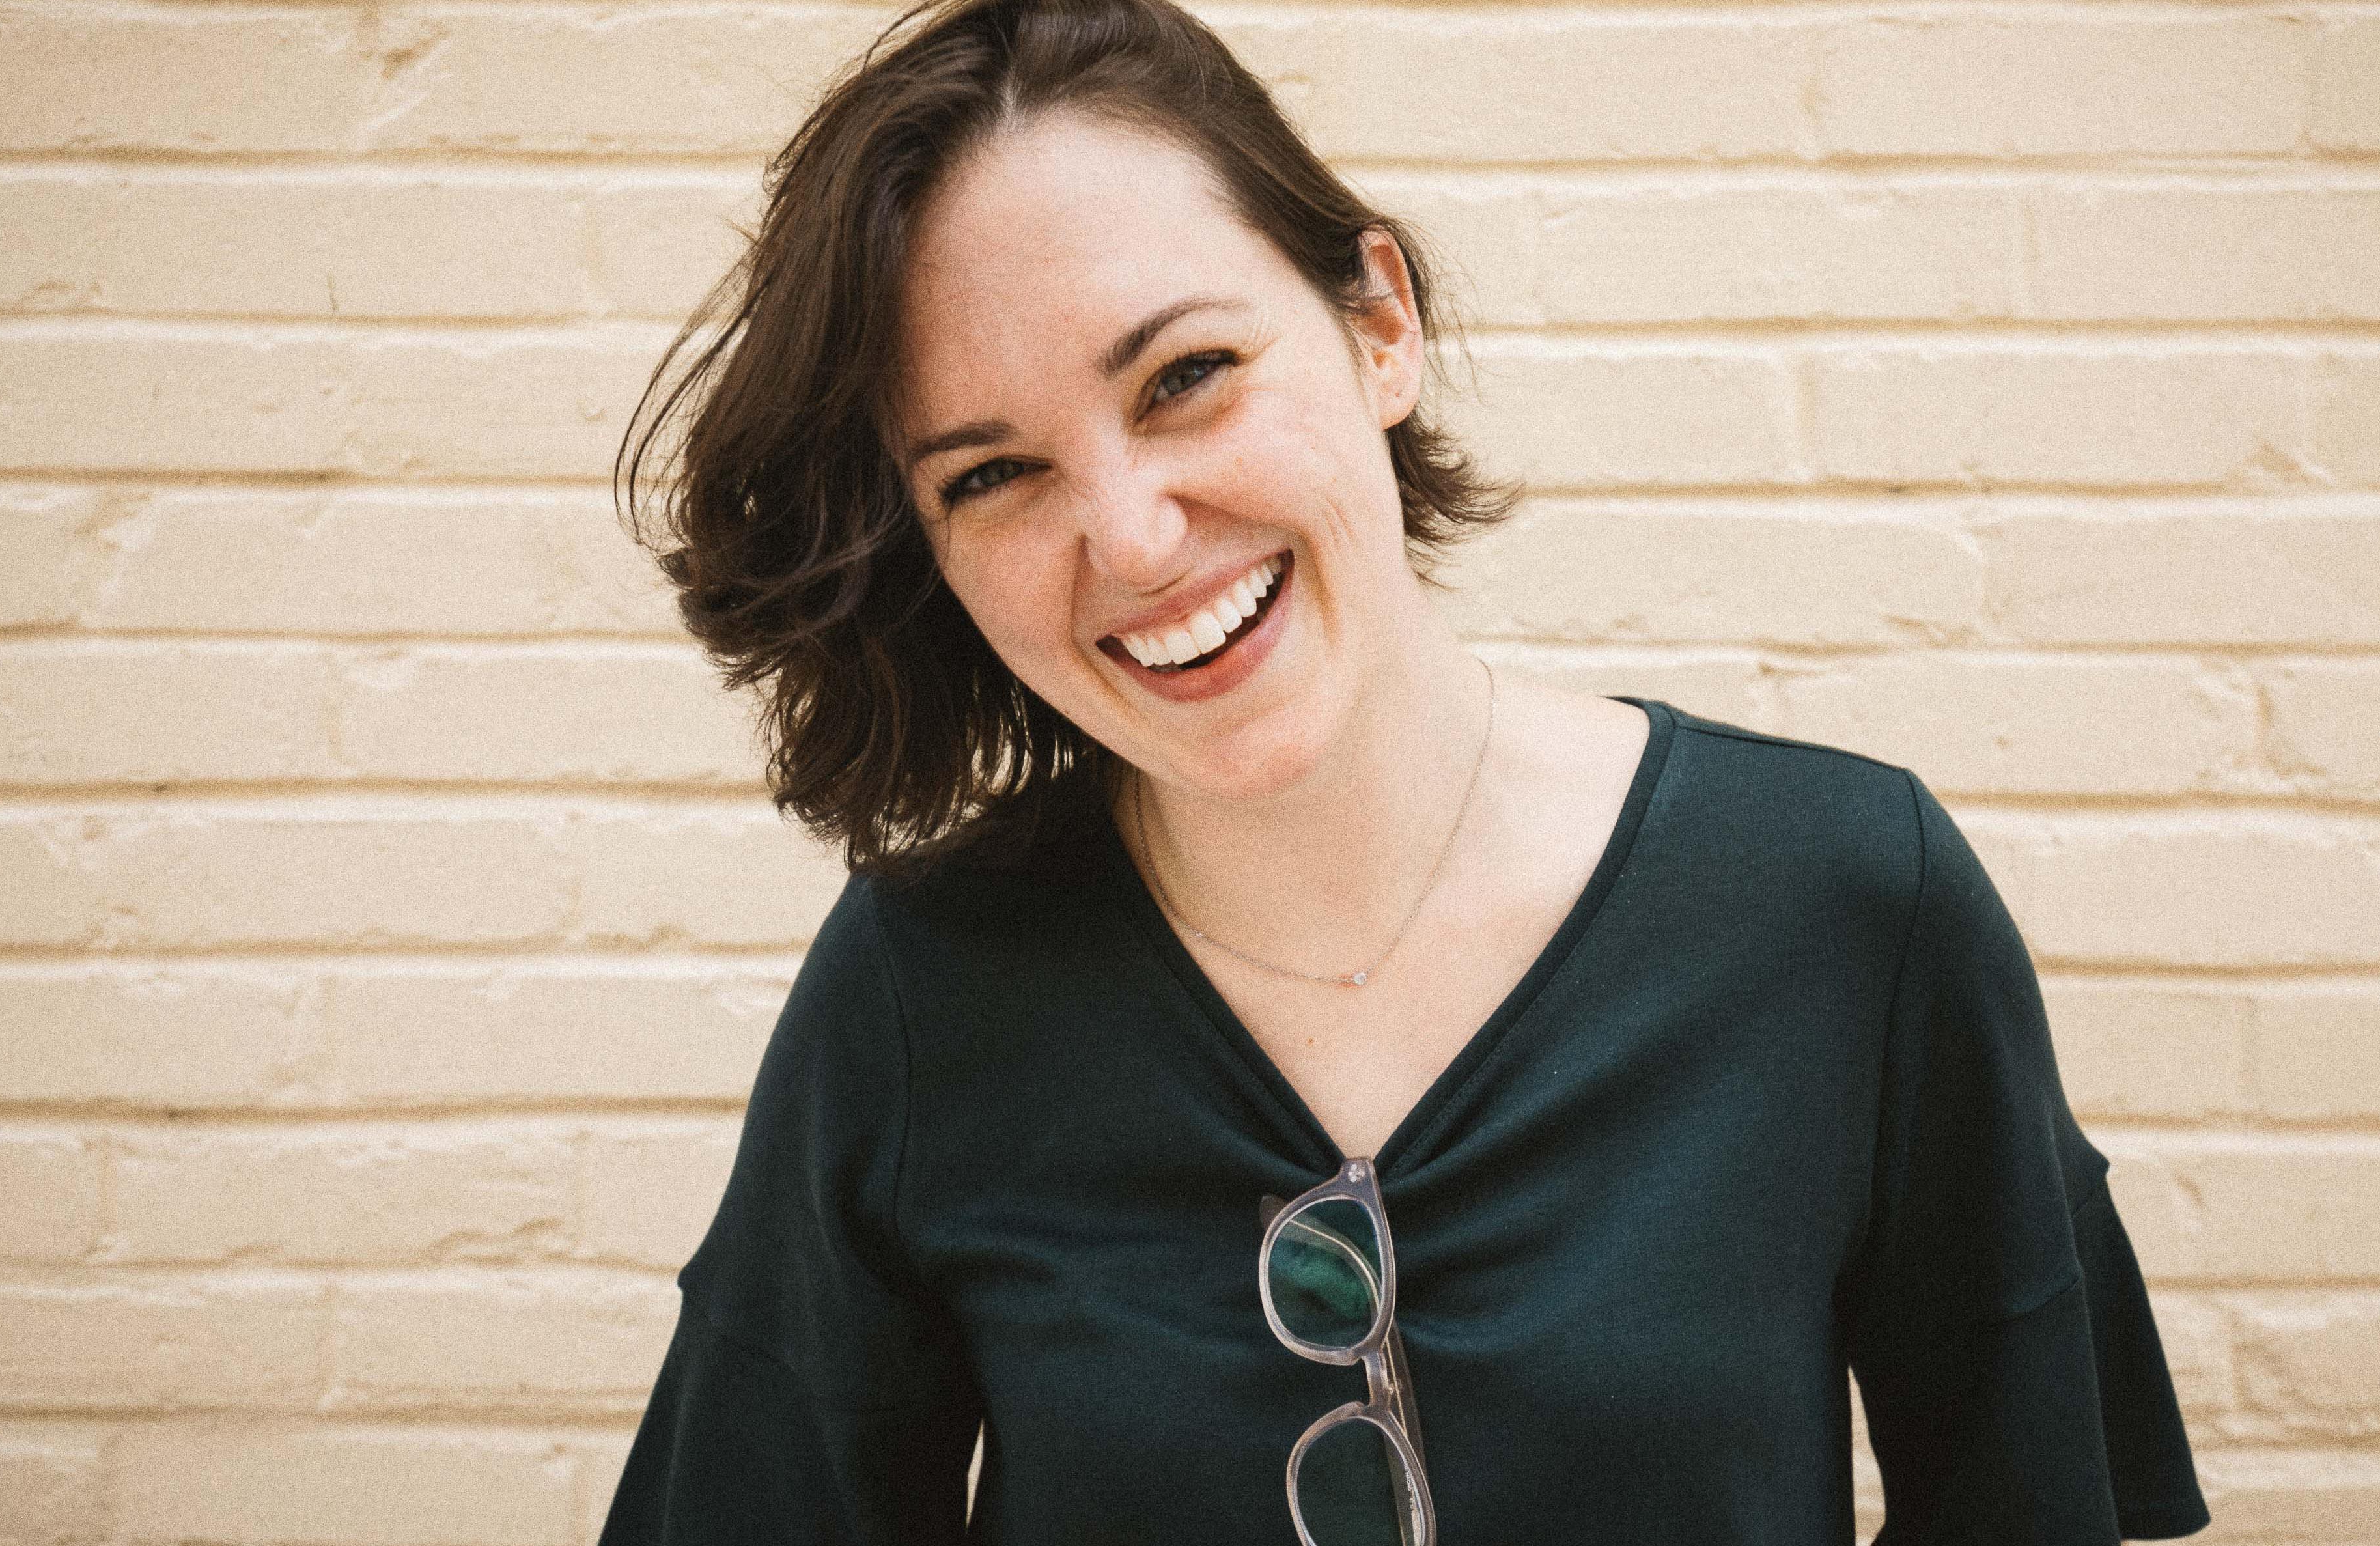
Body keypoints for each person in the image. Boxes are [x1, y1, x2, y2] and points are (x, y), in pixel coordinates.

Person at [595, 0, 2211, 1539]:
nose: (1134, 539)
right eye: (998, 473)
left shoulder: (1850, 903)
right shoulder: (913, 989)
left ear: (1381, 322)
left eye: (1184, 378)